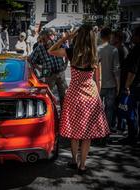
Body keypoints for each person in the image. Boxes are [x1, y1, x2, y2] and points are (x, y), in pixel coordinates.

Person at [48, 25, 109, 174]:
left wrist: (65, 38)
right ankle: (83, 165)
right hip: (90, 96)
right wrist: (97, 97)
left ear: (78, 37)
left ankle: (74, 161)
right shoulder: (95, 55)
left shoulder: (71, 52)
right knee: (87, 134)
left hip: (74, 95)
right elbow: (98, 80)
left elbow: (51, 50)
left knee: (75, 132)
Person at [29, 29, 68, 108]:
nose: (50, 38)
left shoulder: (57, 44)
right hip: (49, 75)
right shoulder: (39, 48)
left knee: (64, 96)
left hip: (61, 73)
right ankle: (52, 114)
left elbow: (67, 52)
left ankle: (64, 116)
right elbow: (30, 60)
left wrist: (65, 64)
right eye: (48, 37)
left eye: (51, 36)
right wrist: (39, 68)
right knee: (49, 96)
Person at [98, 27, 120, 132]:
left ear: (101, 36)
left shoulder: (97, 49)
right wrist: (118, 86)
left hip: (98, 85)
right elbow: (116, 70)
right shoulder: (114, 50)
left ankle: (97, 130)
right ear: (109, 36)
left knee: (97, 109)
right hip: (111, 85)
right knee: (109, 110)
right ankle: (105, 132)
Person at [122, 26, 140, 145]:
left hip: (135, 85)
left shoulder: (136, 50)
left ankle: (132, 136)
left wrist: (127, 86)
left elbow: (133, 71)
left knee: (132, 112)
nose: (132, 36)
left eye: (134, 34)